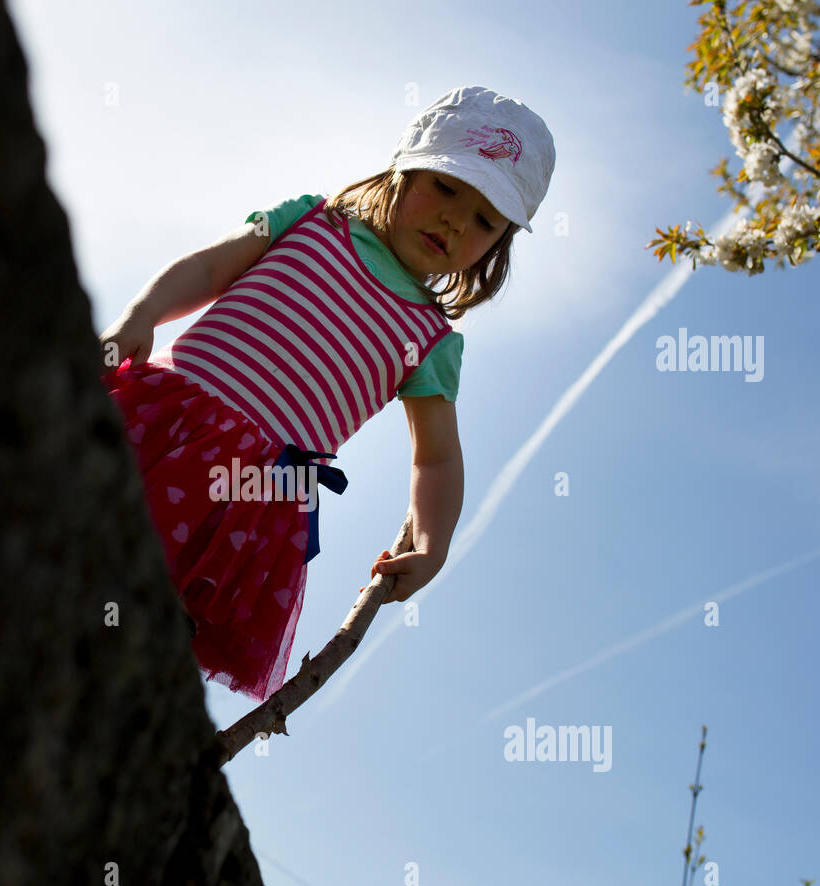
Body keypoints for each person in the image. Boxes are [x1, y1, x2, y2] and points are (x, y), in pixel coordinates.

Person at [98, 86, 556, 702]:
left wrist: (432, 544)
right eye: (447, 187)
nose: (455, 220)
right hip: (169, 416)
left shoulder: (429, 340)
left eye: (484, 220)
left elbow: (436, 457)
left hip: (249, 490)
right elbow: (210, 269)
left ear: (499, 243)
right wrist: (142, 312)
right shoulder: (310, 220)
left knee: (145, 630)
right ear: (404, 169)